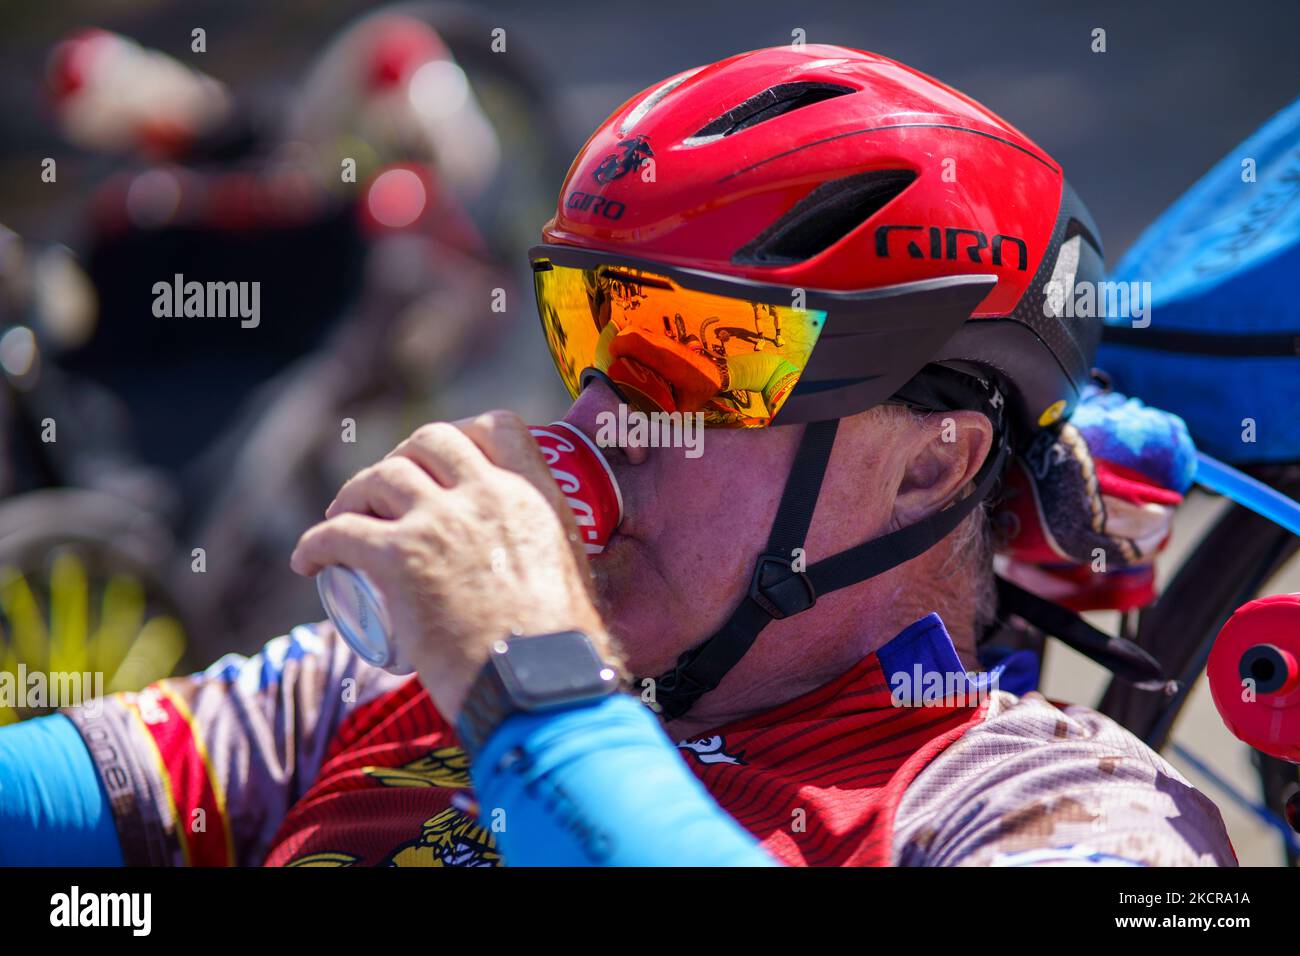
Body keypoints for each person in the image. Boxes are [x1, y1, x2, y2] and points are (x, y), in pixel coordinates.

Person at [0, 45, 1235, 867]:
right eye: (588, 324)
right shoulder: (378, 683)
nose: (600, 415)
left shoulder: (1050, 809)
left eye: (700, 355)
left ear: (930, 465)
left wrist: (530, 681)